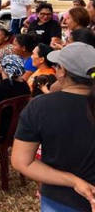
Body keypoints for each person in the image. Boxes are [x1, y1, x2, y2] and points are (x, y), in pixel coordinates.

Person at [12, 42, 95, 212]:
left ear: (62, 70)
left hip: (60, 200)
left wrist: (74, 181)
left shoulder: (40, 107)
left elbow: (22, 162)